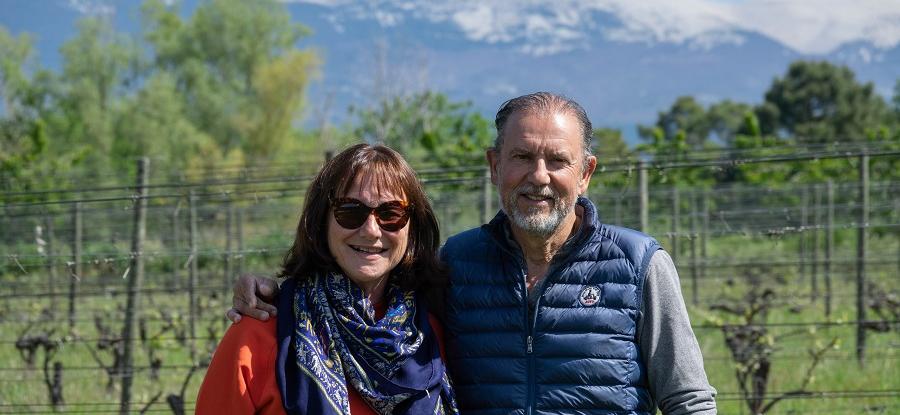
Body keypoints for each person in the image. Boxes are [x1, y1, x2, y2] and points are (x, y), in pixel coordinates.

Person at [229, 92, 718, 414]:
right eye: (522, 157)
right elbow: (370, 284)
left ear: (586, 171)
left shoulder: (638, 265)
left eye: (557, 161)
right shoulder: (454, 265)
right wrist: (279, 291)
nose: (539, 176)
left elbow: (688, 399)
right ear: (494, 165)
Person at [198, 144, 458, 414]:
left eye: (390, 213)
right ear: (321, 220)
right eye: (350, 211)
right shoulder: (257, 335)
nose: (371, 230)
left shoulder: (431, 332)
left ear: (412, 226)